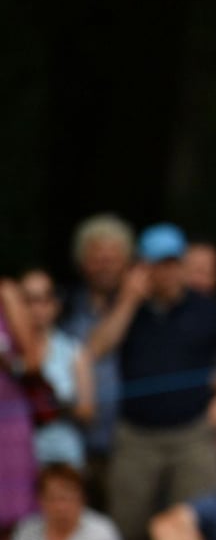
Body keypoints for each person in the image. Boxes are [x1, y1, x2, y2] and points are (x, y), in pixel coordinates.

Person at [88, 224, 216, 540]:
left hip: (193, 434)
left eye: (171, 263)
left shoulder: (207, 307)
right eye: (155, 264)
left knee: (198, 522)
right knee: (128, 525)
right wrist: (128, 301)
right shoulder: (125, 307)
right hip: (136, 436)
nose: (165, 272)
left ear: (181, 264)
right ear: (142, 267)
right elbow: (97, 348)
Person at [61, 213, 134, 500]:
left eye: (112, 257)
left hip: (127, 441)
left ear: (127, 263)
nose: (104, 265)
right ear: (81, 262)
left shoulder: (143, 311)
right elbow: (92, 349)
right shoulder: (64, 306)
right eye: (96, 257)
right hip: (74, 439)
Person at [19, 269, 94, 468]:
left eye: (45, 299)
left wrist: (52, 403)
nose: (37, 308)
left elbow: (88, 412)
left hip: (63, 455)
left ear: (55, 304)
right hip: (16, 452)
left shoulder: (74, 351)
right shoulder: (7, 354)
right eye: (29, 300)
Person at [0, 276, 39, 538]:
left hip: (8, 420)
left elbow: (32, 361)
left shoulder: (6, 292)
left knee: (13, 514)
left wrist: (6, 360)